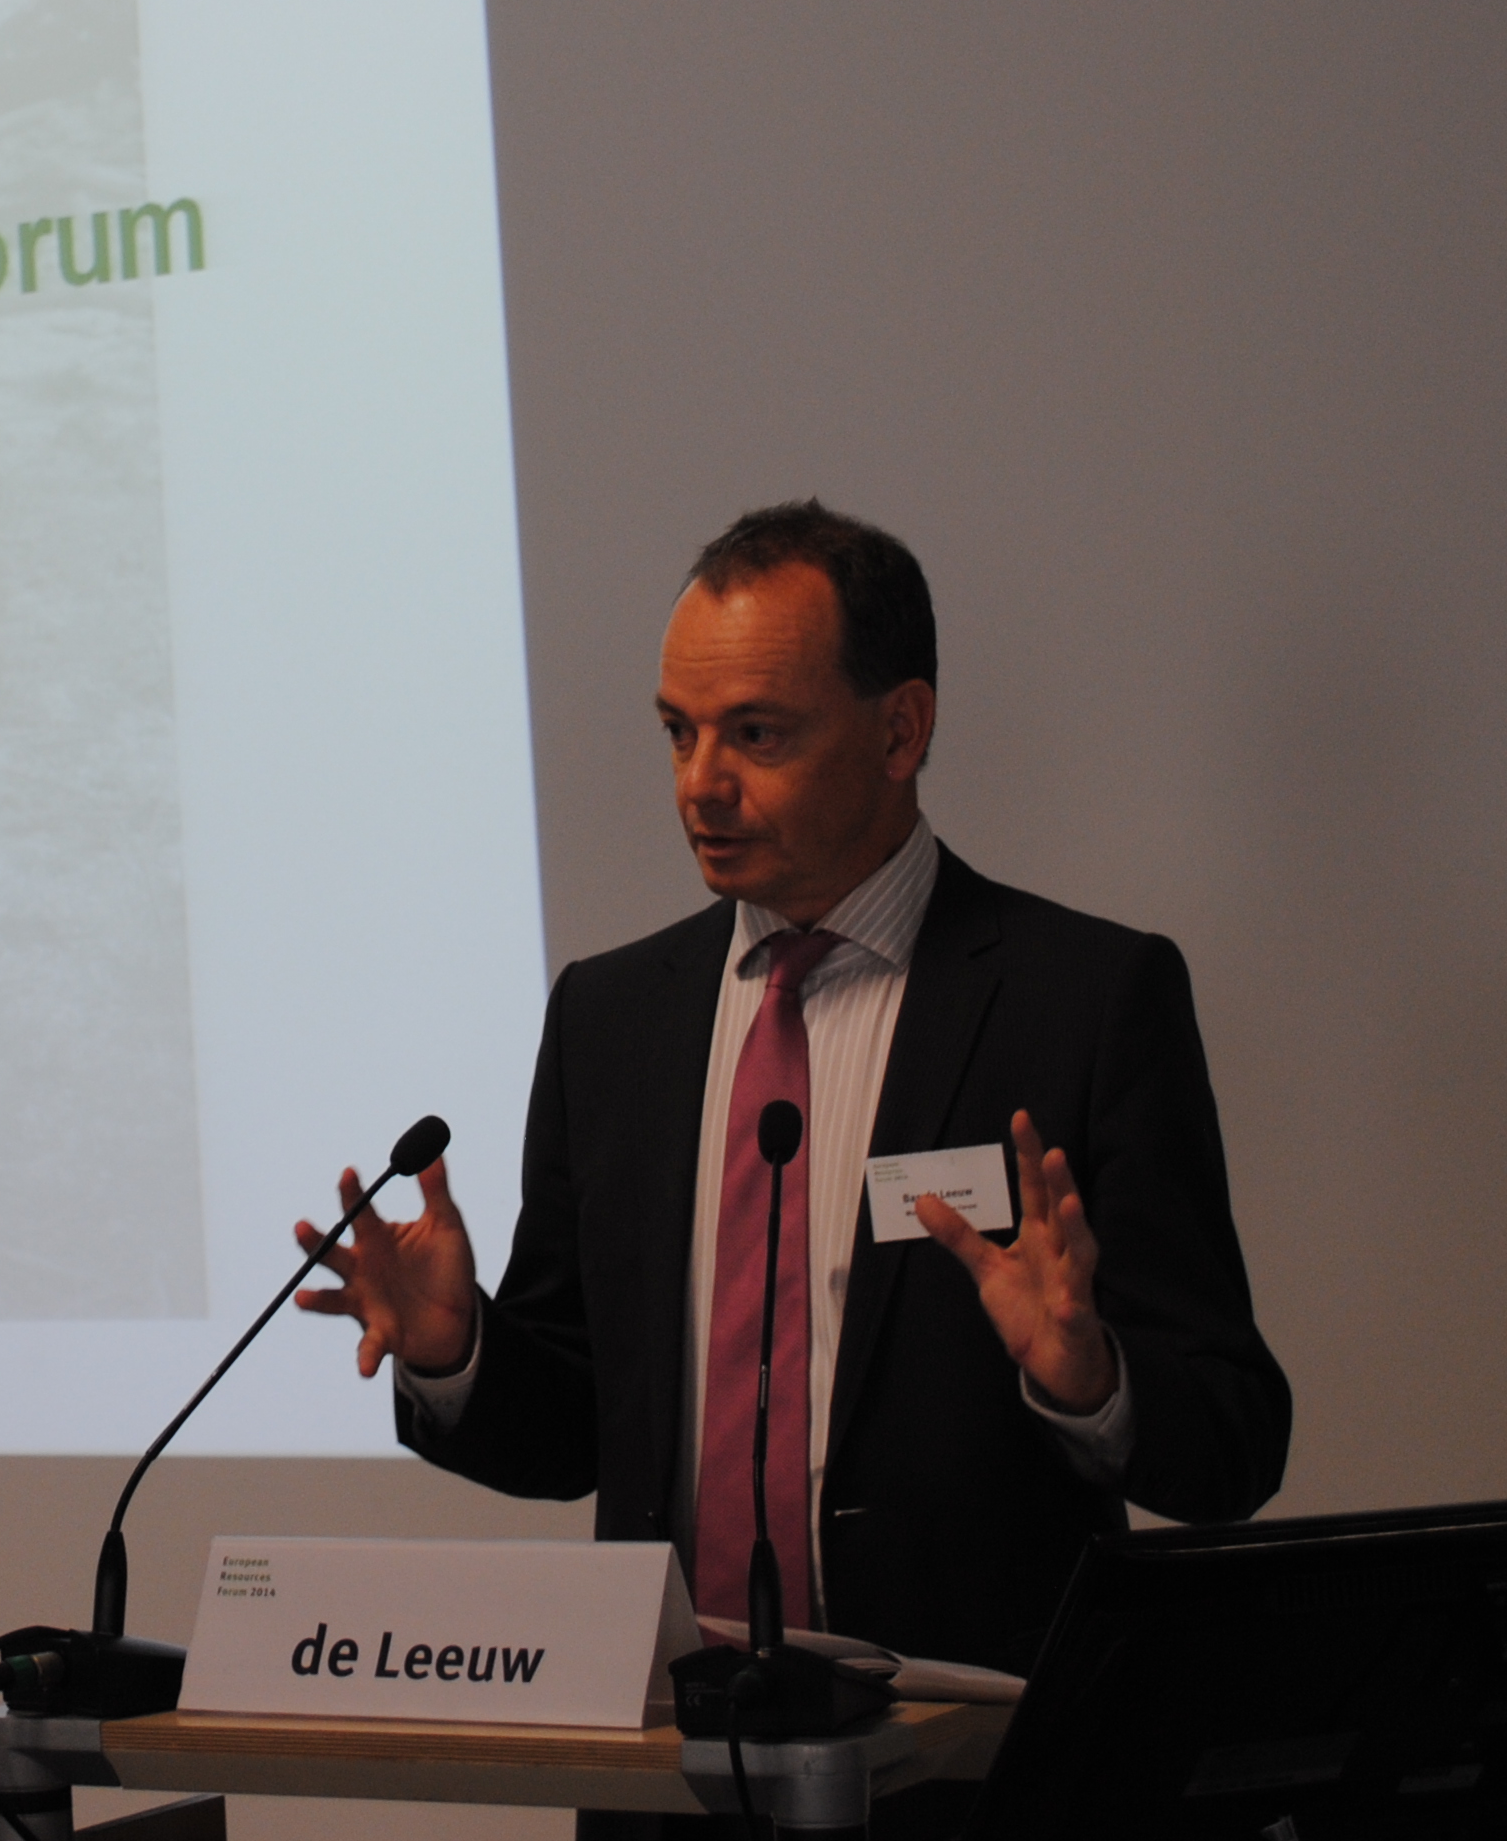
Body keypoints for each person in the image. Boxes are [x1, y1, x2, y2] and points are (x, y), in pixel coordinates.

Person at [298, 500, 1289, 1688]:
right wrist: (460, 1352)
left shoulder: (1082, 1002)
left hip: (970, 1746)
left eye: (755, 734)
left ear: (899, 730)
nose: (698, 786)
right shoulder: (609, 1019)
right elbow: (572, 1436)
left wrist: (1089, 1383)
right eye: (677, 733)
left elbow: (1232, 1443)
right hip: (671, 1742)